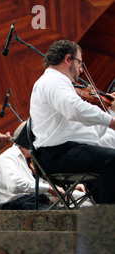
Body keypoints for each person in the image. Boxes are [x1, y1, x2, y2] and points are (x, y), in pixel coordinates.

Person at [30, 40, 115, 204]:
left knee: (105, 159)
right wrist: (110, 121)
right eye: (79, 63)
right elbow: (75, 108)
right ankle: (109, 222)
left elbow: (90, 133)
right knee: (111, 160)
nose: (81, 70)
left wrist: (109, 111)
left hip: (65, 151)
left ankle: (102, 217)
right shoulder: (53, 80)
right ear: (68, 59)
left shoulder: (59, 83)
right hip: (55, 154)